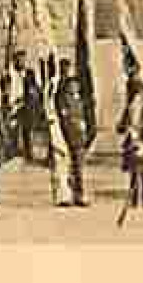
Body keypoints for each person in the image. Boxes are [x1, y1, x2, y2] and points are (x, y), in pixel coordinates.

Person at [118, 70, 143, 209]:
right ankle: (134, 198)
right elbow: (123, 123)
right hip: (132, 138)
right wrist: (124, 127)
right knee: (134, 170)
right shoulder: (130, 104)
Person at [56, 74, 92, 206]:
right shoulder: (65, 100)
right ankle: (71, 195)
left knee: (79, 168)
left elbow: (85, 118)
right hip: (69, 137)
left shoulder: (80, 101)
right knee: (72, 168)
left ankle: (79, 195)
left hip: (80, 138)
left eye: (76, 85)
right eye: (71, 86)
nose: (74, 88)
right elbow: (65, 119)